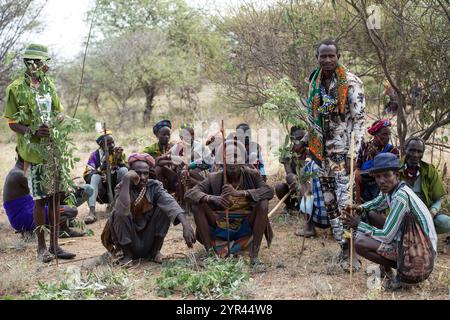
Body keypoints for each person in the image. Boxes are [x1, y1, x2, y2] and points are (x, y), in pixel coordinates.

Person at [3, 43, 75, 262]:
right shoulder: (16, 88)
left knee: (54, 198)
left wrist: (57, 123)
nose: (45, 66)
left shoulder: (48, 85)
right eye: (42, 62)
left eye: (45, 62)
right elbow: (13, 123)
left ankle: (55, 246)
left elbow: (58, 113)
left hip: (53, 149)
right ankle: (41, 248)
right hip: (33, 152)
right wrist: (33, 130)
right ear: (31, 63)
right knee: (40, 198)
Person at [302, 39, 365, 271]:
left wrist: (353, 154)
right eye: (323, 56)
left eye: (331, 56)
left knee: (346, 202)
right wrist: (312, 152)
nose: (327, 60)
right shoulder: (314, 82)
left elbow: (359, 121)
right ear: (317, 57)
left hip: (343, 154)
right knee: (329, 204)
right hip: (321, 154)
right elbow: (311, 119)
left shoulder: (351, 83)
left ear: (338, 56)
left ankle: (353, 251)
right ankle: (342, 247)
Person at [342, 153, 437, 289]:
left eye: (386, 175)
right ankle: (386, 270)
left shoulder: (400, 197)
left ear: (397, 176)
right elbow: (377, 203)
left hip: (423, 257)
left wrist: (358, 225)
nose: (381, 181)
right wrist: (360, 208)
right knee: (371, 213)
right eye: (378, 176)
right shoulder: (392, 190)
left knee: (360, 242)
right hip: (413, 245)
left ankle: (403, 274)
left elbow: (386, 236)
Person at [185, 140, 274, 265]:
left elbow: (269, 192)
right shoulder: (214, 178)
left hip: (245, 226)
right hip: (220, 226)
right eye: (228, 157)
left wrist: (241, 193)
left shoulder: (252, 175)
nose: (232, 161)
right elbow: (189, 194)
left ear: (243, 159)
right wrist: (211, 198)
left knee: (263, 204)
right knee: (197, 205)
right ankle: (210, 254)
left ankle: (254, 256)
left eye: (236, 156)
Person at [101, 153, 196, 265]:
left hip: (148, 240)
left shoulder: (154, 187)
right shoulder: (122, 188)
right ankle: (128, 256)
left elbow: (170, 203)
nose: (142, 177)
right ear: (131, 172)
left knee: (164, 208)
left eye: (145, 173)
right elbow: (122, 212)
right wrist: (126, 180)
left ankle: (155, 252)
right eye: (138, 173)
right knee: (118, 213)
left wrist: (185, 224)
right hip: (129, 242)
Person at [3, 156, 93, 238]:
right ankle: (60, 230)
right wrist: (63, 189)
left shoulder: (18, 172)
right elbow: (43, 193)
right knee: (71, 210)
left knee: (63, 201)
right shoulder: (19, 174)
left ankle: (57, 225)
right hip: (23, 218)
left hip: (25, 214)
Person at [399, 137, 449, 235]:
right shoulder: (396, 169)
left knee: (445, 222)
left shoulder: (429, 170)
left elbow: (438, 199)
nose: (415, 155)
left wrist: (431, 213)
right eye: (412, 150)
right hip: (401, 215)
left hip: (425, 214)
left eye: (419, 152)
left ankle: (422, 234)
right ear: (405, 150)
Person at [83, 131, 128, 224]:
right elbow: (87, 176)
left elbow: (129, 172)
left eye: (112, 142)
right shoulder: (95, 155)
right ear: (101, 145)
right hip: (101, 191)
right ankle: (92, 212)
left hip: (115, 188)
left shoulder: (118, 153)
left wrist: (120, 162)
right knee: (95, 177)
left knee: (124, 171)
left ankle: (120, 207)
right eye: (108, 144)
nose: (112, 145)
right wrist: (101, 168)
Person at [355, 119, 400, 203]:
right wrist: (357, 171)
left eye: (388, 134)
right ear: (375, 134)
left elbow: (393, 170)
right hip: (364, 181)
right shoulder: (365, 146)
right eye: (384, 134)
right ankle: (358, 205)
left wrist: (376, 155)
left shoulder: (393, 150)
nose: (387, 137)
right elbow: (359, 162)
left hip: (381, 182)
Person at [274, 126, 308, 215]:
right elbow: (289, 174)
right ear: (292, 140)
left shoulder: (311, 150)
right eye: (298, 139)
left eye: (303, 138)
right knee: (279, 186)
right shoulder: (287, 152)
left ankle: (305, 208)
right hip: (295, 186)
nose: (301, 142)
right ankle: (291, 206)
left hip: (310, 186)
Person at [143, 120, 178, 194]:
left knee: (160, 166)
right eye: (164, 134)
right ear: (157, 135)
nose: (167, 137)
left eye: (168, 135)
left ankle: (163, 193)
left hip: (173, 177)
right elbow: (141, 157)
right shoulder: (151, 149)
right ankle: (161, 192)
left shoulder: (174, 146)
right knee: (159, 167)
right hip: (156, 176)